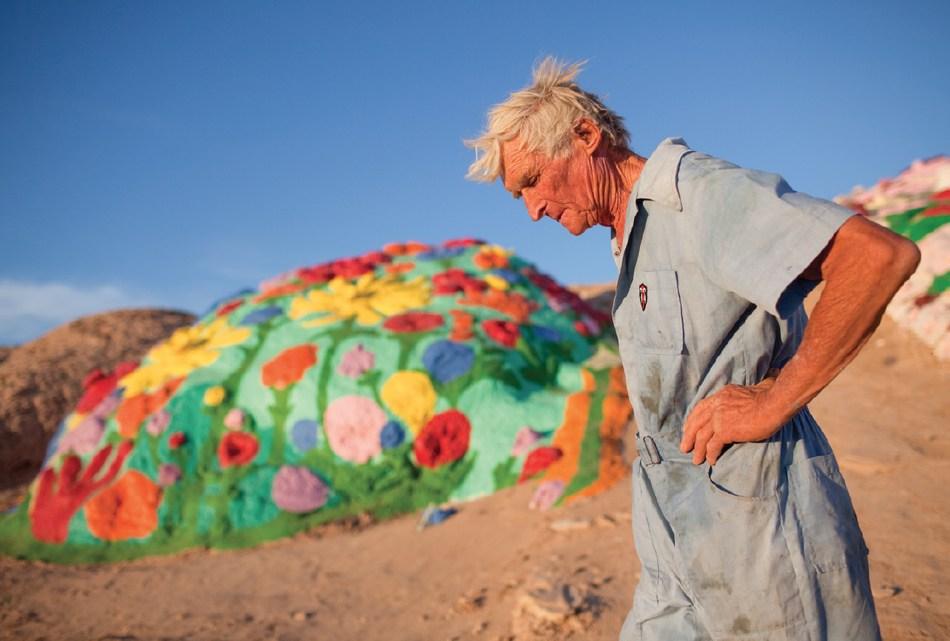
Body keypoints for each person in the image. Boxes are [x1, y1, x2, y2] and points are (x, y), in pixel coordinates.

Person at [465, 58, 920, 641]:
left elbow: (877, 258)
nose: (531, 209)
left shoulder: (697, 195)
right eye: (517, 196)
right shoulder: (628, 235)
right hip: (672, 541)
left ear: (585, 137)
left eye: (531, 182)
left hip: (761, 534)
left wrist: (772, 400)